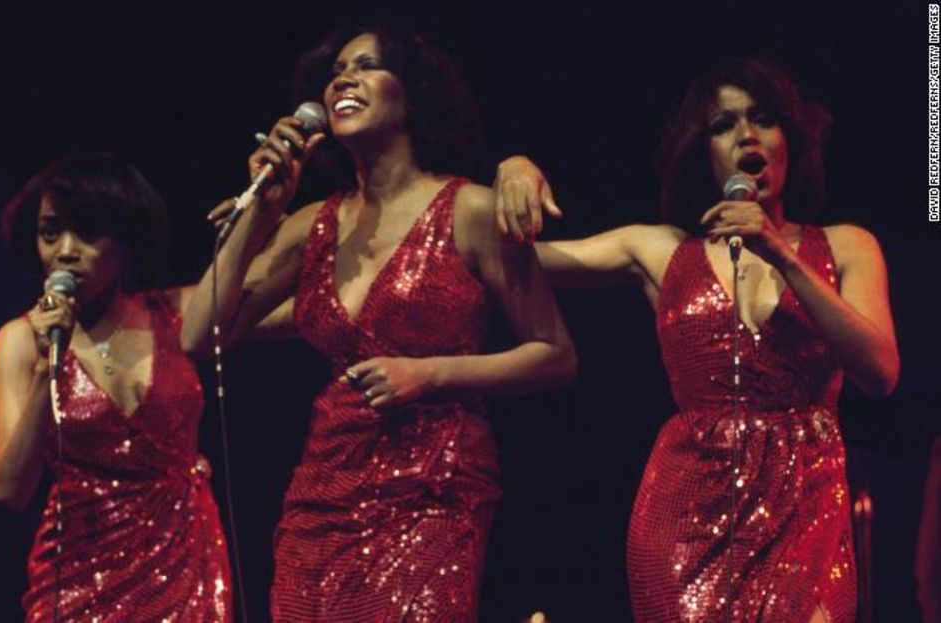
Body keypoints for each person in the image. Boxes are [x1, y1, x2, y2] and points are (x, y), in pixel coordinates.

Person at [182, 25, 577, 622]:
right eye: (336, 70)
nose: (343, 79)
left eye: (367, 66)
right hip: (321, 493)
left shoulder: (467, 209)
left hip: (433, 491)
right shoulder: (312, 224)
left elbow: (554, 353)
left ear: (412, 94)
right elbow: (198, 335)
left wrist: (433, 374)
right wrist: (261, 209)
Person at [493, 57, 899, 622]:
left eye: (763, 118)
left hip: (806, 513)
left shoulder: (848, 246)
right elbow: (502, 259)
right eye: (723, 125)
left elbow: (880, 372)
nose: (746, 136)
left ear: (791, 139)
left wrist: (779, 253)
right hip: (686, 516)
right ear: (702, 153)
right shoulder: (660, 250)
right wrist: (513, 171)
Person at [0, 154, 231, 621]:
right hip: (79, 572)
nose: (65, 250)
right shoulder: (20, 340)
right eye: (51, 232)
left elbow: (292, 299)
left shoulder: (174, 313)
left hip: (183, 558)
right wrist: (47, 370)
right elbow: (10, 489)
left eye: (88, 232)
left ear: (125, 240)